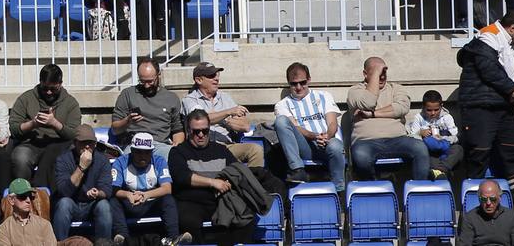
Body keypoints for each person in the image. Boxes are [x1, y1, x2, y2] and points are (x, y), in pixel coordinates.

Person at [457, 10, 514, 183]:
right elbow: (488, 69)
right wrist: (511, 90)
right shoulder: (487, 39)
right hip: (481, 108)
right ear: (513, 28)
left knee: (513, 151)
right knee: (479, 153)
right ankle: (474, 199)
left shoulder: (504, 43)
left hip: (502, 106)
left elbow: (509, 72)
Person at [167, 113, 253, 246]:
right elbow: (182, 177)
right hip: (191, 202)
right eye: (196, 131)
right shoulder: (178, 152)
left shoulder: (221, 150)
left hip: (219, 200)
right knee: (188, 221)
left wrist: (228, 182)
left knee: (240, 214)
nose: (201, 134)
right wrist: (213, 182)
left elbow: (237, 171)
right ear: (189, 131)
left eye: (205, 130)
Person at [346, 56, 432, 182]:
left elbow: (402, 107)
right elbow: (368, 102)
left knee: (420, 148)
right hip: (366, 142)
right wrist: (375, 76)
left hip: (398, 140)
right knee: (361, 156)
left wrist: (372, 114)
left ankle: (419, 191)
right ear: (365, 74)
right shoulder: (356, 91)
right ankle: (374, 191)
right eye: (376, 72)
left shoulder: (396, 88)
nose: (381, 76)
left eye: (383, 72)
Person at [272, 62, 346, 192]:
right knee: (281, 121)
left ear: (309, 80)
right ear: (288, 83)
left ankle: (339, 191)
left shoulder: (324, 96)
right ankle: (297, 169)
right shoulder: (282, 105)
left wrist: (327, 136)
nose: (299, 87)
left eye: (303, 82)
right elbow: (295, 128)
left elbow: (333, 123)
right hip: (304, 145)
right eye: (294, 84)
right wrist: (314, 136)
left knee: (335, 146)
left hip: (327, 141)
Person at [9, 65, 81, 185]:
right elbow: (14, 129)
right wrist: (33, 124)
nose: (48, 92)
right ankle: (23, 193)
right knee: (20, 157)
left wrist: (55, 124)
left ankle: (49, 194)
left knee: (58, 156)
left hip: (59, 145)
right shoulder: (26, 98)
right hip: (31, 144)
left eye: (53, 89)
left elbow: (74, 134)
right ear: (40, 82)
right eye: (45, 88)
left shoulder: (70, 103)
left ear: (60, 84)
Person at [180, 63, 263, 167]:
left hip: (227, 146)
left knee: (255, 149)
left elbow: (245, 126)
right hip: (203, 147)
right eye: (211, 76)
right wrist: (228, 113)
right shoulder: (189, 100)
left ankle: (252, 182)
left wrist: (225, 120)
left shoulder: (225, 98)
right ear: (199, 80)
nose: (216, 79)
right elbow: (201, 119)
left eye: (217, 75)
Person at [107, 132, 180, 245]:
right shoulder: (120, 162)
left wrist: (146, 195)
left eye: (147, 152)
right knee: (113, 201)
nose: (143, 156)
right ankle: (123, 238)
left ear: (152, 151)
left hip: (151, 203)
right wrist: (128, 195)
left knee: (168, 199)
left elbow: (167, 188)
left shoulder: (159, 161)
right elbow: (113, 189)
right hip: (130, 203)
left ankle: (173, 238)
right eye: (138, 152)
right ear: (132, 150)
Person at [110, 57, 183, 158]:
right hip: (135, 145)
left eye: (150, 81)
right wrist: (127, 121)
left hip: (160, 145)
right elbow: (115, 129)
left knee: (175, 157)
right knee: (127, 160)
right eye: (142, 81)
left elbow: (177, 129)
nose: (147, 86)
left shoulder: (171, 98)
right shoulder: (128, 94)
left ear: (158, 75)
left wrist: (177, 145)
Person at [51, 125, 113, 242]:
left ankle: (104, 244)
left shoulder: (102, 160)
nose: (87, 146)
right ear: (75, 143)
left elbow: (107, 191)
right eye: (83, 143)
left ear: (95, 144)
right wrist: (82, 167)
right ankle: (59, 243)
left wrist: (97, 193)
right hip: (72, 203)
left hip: (92, 205)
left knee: (104, 205)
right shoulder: (63, 159)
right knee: (64, 204)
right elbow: (64, 191)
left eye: (90, 143)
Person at [405, 90, 463, 180]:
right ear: (423, 107)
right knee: (425, 154)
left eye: (436, 110)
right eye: (429, 110)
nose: (433, 113)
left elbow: (455, 135)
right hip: (431, 151)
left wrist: (442, 137)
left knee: (458, 150)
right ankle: (442, 172)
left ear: (441, 106)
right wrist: (420, 133)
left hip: (445, 147)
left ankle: (440, 171)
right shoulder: (419, 118)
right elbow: (412, 136)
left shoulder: (447, 117)